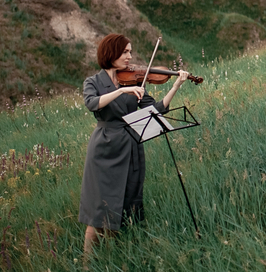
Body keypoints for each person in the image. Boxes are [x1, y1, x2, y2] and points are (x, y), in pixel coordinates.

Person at [79, 34, 191, 257]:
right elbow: (92, 103)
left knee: (122, 208)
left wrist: (176, 85)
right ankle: (86, 263)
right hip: (104, 149)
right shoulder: (92, 82)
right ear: (111, 53)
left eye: (130, 52)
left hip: (130, 146)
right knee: (97, 214)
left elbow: (156, 109)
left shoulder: (136, 81)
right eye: (125, 52)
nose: (130, 56)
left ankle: (111, 259)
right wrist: (121, 91)